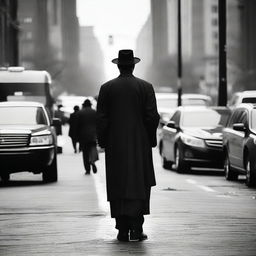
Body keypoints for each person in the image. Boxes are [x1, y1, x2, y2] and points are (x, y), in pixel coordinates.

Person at [96, 49, 159, 242]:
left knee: (118, 183)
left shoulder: (106, 88)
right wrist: (150, 139)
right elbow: (152, 117)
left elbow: (102, 119)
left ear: (118, 66)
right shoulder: (145, 87)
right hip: (139, 144)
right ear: (133, 65)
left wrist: (104, 141)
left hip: (115, 145)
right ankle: (136, 229)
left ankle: (122, 229)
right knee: (138, 184)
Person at [77, 99, 98, 174]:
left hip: (83, 136)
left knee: (85, 153)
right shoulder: (94, 112)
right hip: (93, 135)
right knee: (92, 150)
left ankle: (87, 169)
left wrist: (77, 138)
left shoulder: (80, 113)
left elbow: (78, 126)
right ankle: (92, 161)